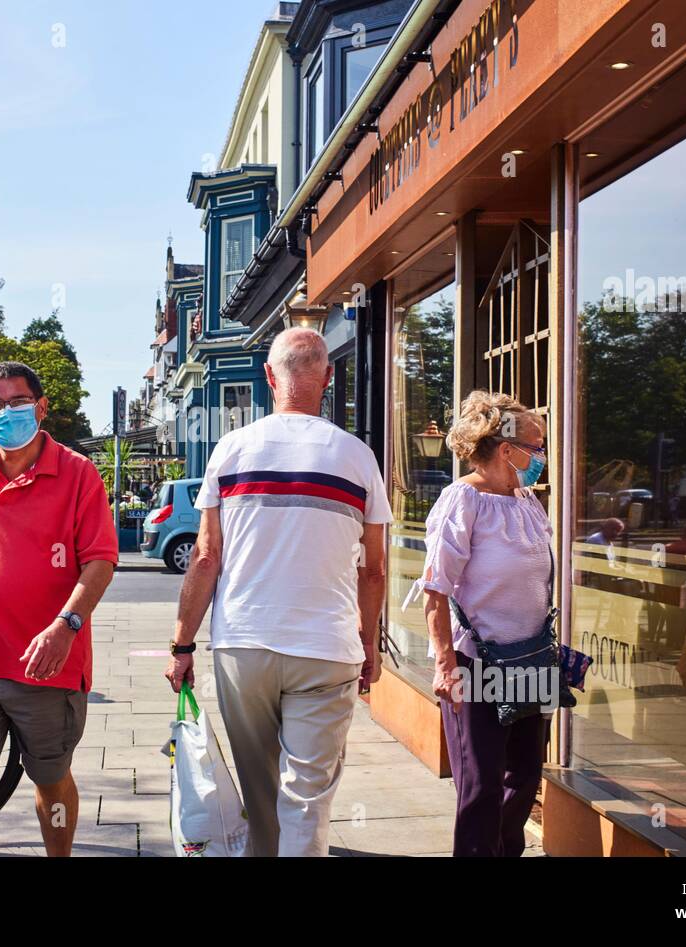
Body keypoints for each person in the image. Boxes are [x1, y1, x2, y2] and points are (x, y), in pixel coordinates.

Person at [165, 327, 391, 857]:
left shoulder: (232, 449)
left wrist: (182, 644)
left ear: (270, 376)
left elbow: (205, 557)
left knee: (261, 791)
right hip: (327, 648)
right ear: (328, 377)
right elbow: (375, 570)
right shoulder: (358, 457)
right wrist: (370, 645)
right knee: (307, 799)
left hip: (245, 644)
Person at [0, 361, 117, 857]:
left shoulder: (77, 473)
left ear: (41, 406)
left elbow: (100, 559)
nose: (7, 412)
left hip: (45, 665)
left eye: (17, 402)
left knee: (50, 781)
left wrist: (66, 625)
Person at [418, 390, 551, 857]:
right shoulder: (463, 500)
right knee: (481, 786)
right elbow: (436, 592)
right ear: (506, 448)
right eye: (536, 446)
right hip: (477, 663)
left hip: (532, 656)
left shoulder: (526, 499)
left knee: (525, 776)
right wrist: (444, 664)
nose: (541, 456)